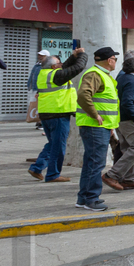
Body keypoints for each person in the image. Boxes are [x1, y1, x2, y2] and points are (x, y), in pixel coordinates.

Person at [28, 48, 88, 182]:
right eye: (59, 63)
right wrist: (83, 54)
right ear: (54, 66)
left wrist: (73, 56)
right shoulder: (56, 76)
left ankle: (37, 167)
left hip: (46, 113)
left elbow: (66, 67)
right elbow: (78, 67)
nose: (61, 65)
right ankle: (53, 174)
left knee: (53, 143)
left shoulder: (45, 73)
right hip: (58, 113)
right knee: (59, 146)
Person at [75, 47, 121, 212]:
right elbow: (82, 95)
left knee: (91, 162)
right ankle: (91, 199)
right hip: (94, 126)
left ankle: (83, 198)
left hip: (100, 126)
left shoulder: (102, 75)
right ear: (109, 60)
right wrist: (95, 115)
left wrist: (109, 126)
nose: (116, 62)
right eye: (115, 59)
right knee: (96, 163)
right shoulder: (95, 74)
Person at [105, 53, 134, 192]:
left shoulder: (124, 78)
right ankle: (112, 175)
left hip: (122, 118)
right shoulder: (132, 80)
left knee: (127, 147)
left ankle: (129, 178)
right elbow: (127, 101)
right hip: (129, 119)